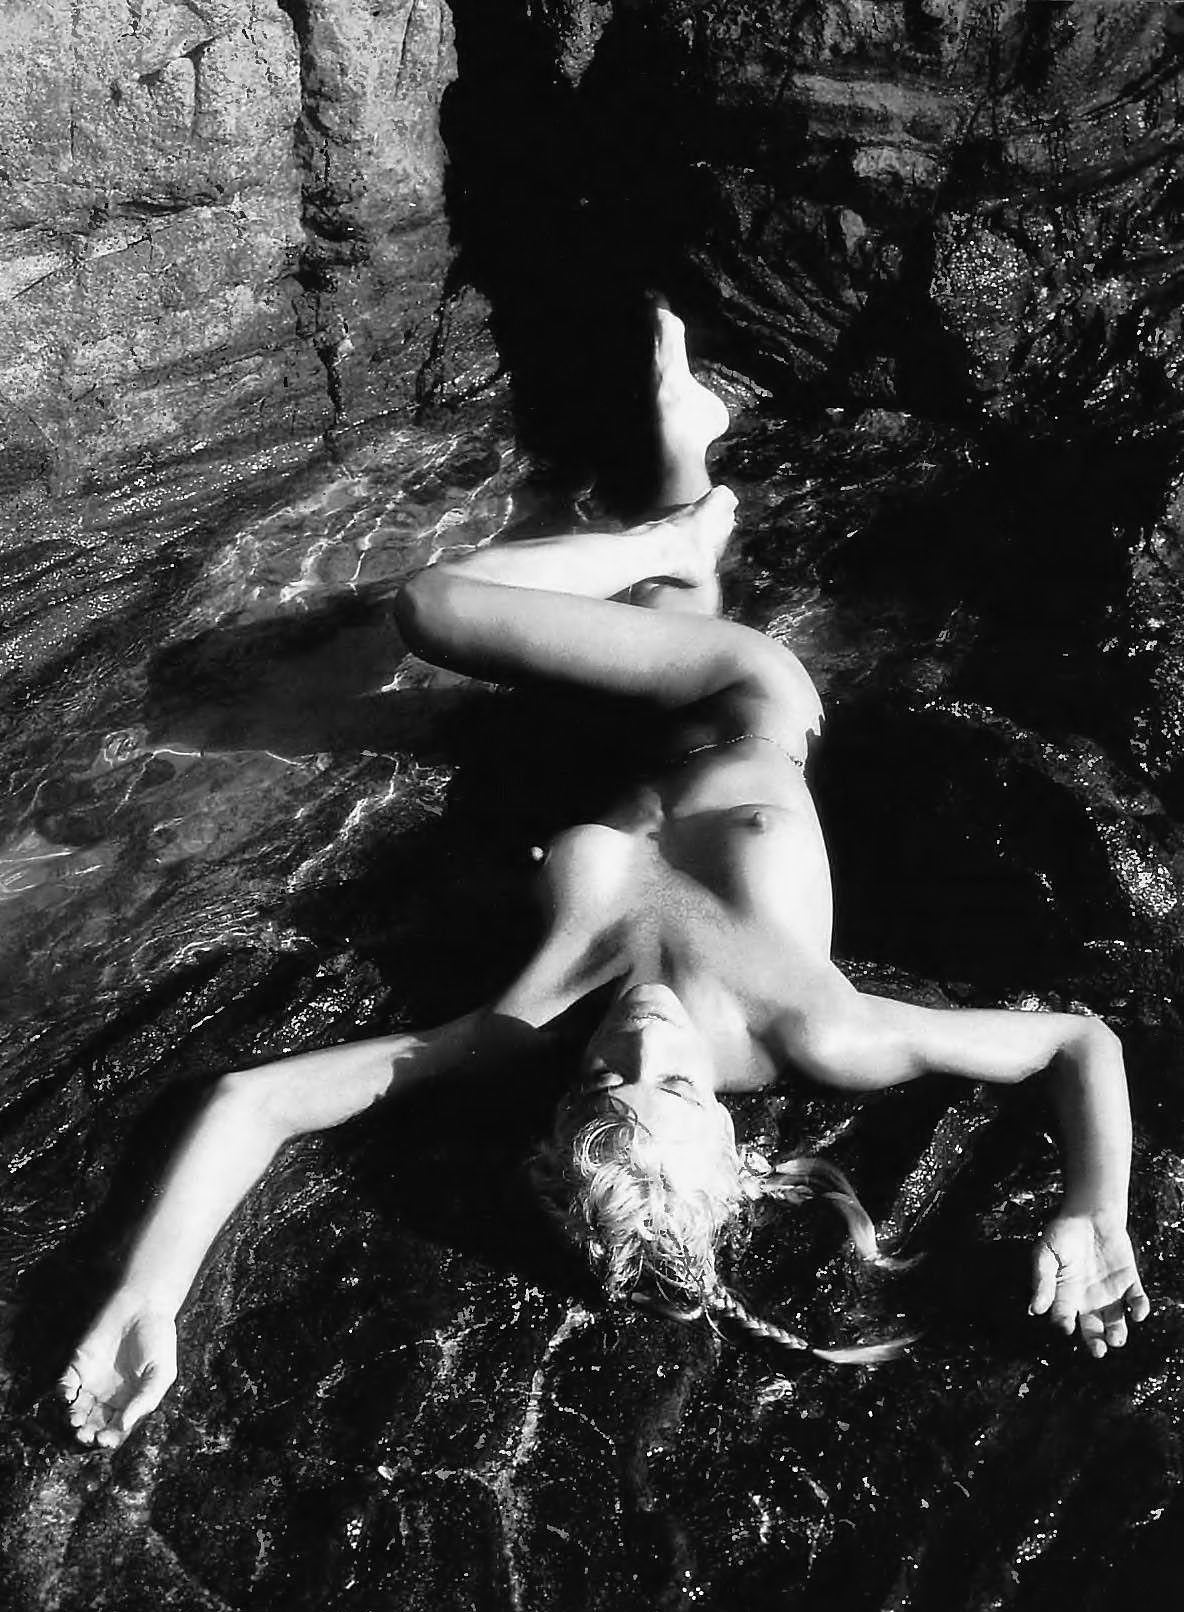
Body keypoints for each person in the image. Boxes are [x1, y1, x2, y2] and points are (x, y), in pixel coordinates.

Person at [60, 309, 1150, 1450]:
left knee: (590, 604)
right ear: (724, 1129)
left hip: (609, 747)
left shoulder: (521, 1028)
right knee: (435, 607)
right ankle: (677, 531)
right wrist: (1093, 1205)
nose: (638, 1036)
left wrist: (147, 1292)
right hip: (739, 699)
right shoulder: (823, 1031)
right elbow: (1077, 1044)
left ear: (560, 1107)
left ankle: (683, 456)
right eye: (670, 1083)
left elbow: (254, 1104)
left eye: (601, 1080)